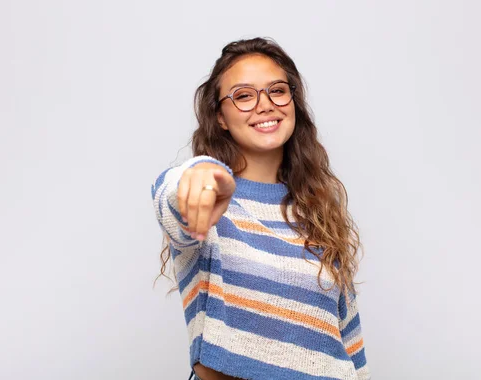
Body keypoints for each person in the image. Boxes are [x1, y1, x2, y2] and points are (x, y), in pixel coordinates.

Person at [151, 37, 371, 380]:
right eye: (243, 95)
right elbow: (171, 198)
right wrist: (195, 177)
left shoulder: (317, 211)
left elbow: (350, 344)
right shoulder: (209, 202)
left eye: (277, 90)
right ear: (220, 117)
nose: (265, 104)